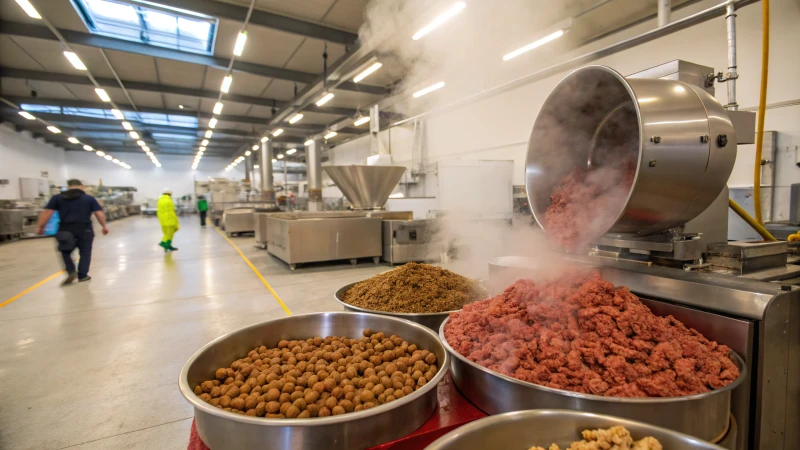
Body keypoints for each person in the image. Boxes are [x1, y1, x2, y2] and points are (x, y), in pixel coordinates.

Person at [36, 179, 108, 285]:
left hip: (65, 229)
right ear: (82, 186)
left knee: (65, 252)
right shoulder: (89, 199)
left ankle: (71, 271)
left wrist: (41, 226)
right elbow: (99, 213)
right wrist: (104, 226)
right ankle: (83, 275)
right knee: (85, 252)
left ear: (69, 186)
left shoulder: (57, 198)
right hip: (85, 229)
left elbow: (47, 212)